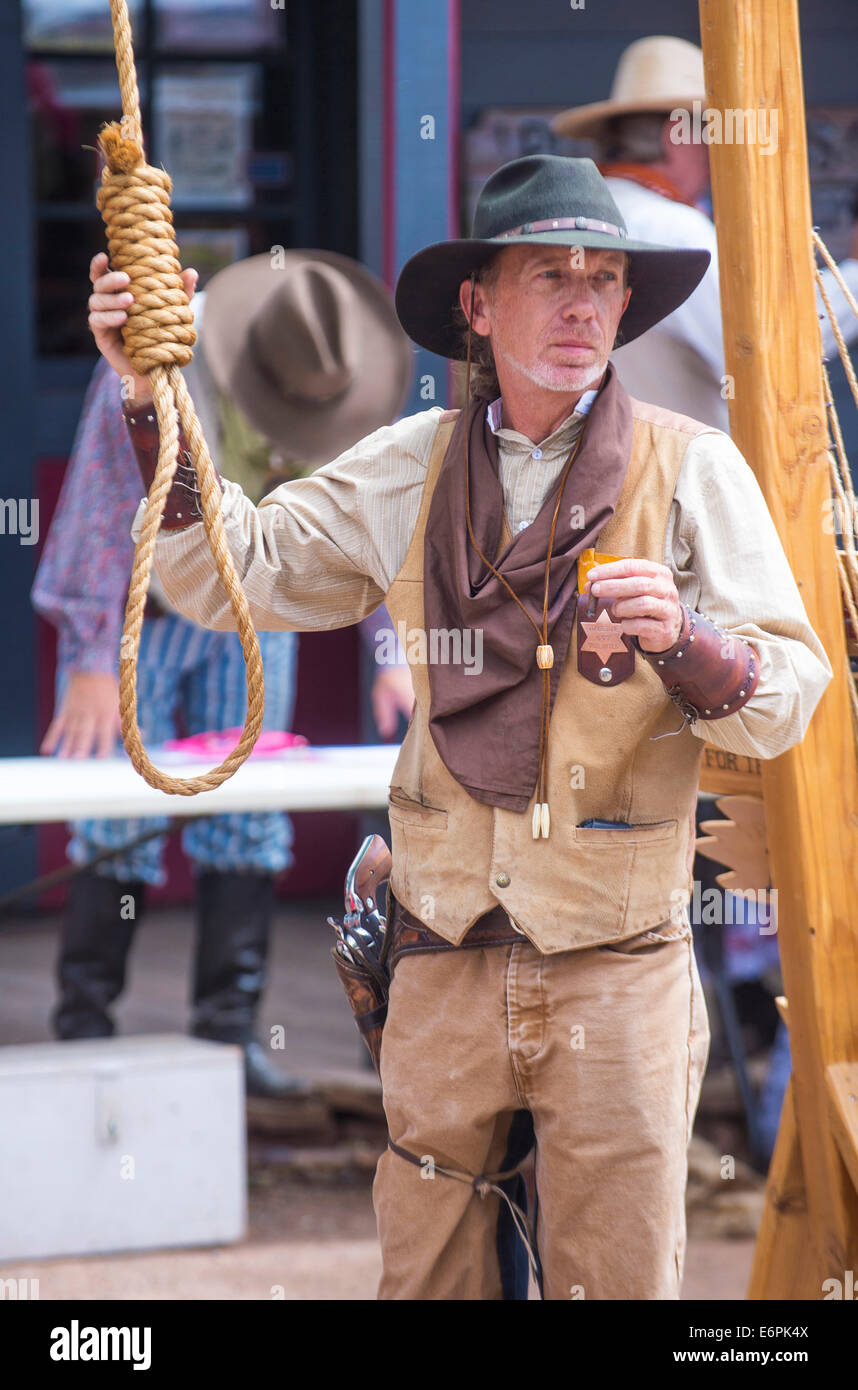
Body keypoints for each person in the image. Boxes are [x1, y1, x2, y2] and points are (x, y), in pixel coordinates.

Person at [86, 154, 832, 1299]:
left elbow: (791, 694)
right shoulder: (409, 467)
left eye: (604, 279)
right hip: (440, 958)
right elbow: (226, 570)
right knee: (429, 1279)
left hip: (618, 970)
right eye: (549, 275)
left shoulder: (694, 469)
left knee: (617, 1281)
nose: (584, 302)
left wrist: (687, 640)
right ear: (479, 307)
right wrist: (150, 395)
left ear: (628, 302)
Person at [33, 249, 413, 1098]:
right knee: (110, 812)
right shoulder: (164, 359)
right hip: (143, 611)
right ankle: (83, 1023)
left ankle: (229, 1031)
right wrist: (96, 657)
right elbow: (101, 497)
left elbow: (360, 523)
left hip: (250, 606)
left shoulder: (339, 388)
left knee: (249, 805)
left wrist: (391, 655)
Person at [553, 34, 858, 431]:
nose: (716, 152)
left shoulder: (580, 214)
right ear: (674, 137)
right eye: (708, 134)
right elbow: (776, 345)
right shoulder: (670, 225)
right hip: (675, 482)